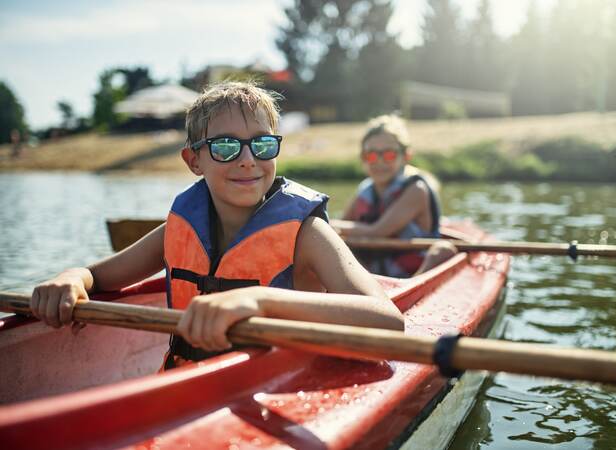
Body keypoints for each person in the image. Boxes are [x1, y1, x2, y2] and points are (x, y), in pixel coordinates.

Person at [30, 81, 403, 370]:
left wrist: (258, 299)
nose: (247, 160)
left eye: (262, 145)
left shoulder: (307, 234)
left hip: (279, 386)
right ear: (194, 161)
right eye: (225, 147)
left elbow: (387, 322)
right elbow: (99, 276)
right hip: (190, 385)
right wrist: (72, 278)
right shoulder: (178, 229)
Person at [337, 114, 457, 278]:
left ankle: (411, 289)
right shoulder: (365, 189)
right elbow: (343, 225)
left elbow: (377, 231)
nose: (379, 162)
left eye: (389, 155)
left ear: (405, 157)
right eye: (371, 155)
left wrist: (330, 226)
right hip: (374, 271)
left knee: (443, 251)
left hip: (413, 271)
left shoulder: (416, 190)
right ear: (362, 158)